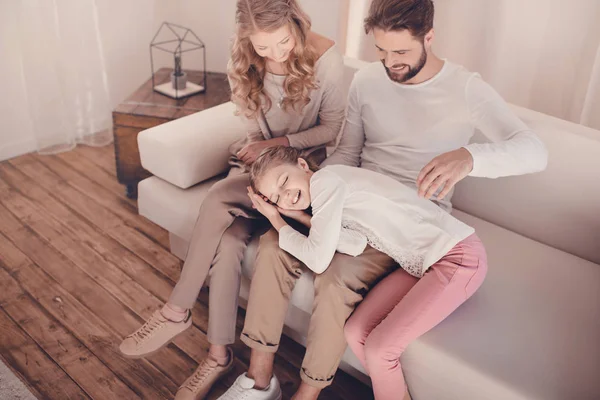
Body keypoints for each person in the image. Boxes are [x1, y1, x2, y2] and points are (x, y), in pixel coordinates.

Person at [221, 0, 548, 399]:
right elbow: (347, 153)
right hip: (350, 199)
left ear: (429, 37)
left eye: (401, 52)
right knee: (273, 247)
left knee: (336, 275)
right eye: (380, 50)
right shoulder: (369, 82)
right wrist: (311, 192)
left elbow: (534, 151)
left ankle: (307, 393)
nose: (389, 62)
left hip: (403, 219)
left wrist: (470, 157)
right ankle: (259, 382)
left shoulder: (465, 88)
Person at [117, 0, 345, 398]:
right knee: (229, 238)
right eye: (262, 47)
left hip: (299, 174)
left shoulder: (326, 58)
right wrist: (259, 148)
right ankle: (218, 355)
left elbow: (332, 129)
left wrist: (277, 143)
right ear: (247, 39)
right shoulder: (245, 57)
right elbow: (251, 123)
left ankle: (175, 310)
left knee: (220, 195)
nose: (274, 54)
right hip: (257, 164)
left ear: (296, 23)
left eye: (283, 42)